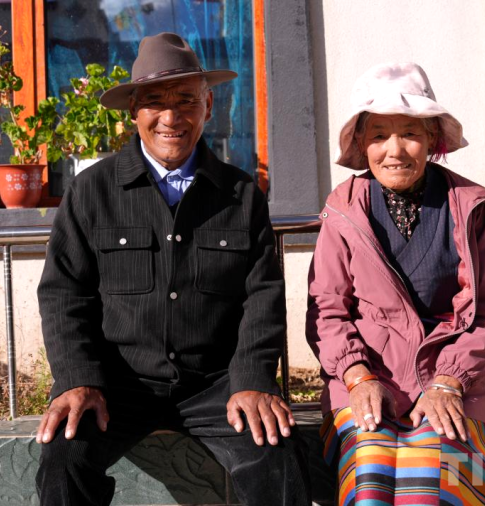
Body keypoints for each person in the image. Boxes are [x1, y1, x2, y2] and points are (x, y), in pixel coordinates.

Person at [35, 32, 310, 506]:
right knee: (63, 458)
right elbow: (64, 294)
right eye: (155, 102)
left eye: (186, 100)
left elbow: (262, 298)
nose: (171, 117)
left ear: (208, 106)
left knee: (277, 456)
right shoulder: (90, 191)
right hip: (118, 385)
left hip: (215, 385)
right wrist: (78, 378)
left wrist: (252, 380)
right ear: (133, 111)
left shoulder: (241, 195)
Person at [306, 62, 485, 504]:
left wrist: (448, 382)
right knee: (369, 468)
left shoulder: (468, 207)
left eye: (410, 133)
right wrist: (358, 377)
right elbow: (327, 309)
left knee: (430, 478)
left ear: (433, 139)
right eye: (379, 135)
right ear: (362, 143)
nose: (394, 150)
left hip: (448, 379)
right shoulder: (344, 210)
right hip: (366, 379)